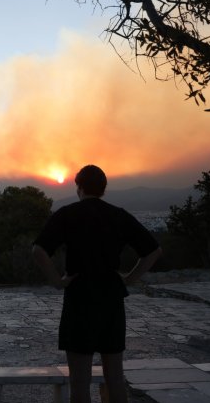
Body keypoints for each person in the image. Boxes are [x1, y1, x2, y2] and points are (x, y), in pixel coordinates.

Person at [32, 165, 162, 403]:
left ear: (79, 187)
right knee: (115, 377)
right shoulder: (119, 215)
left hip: (79, 297)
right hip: (111, 298)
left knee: (79, 381)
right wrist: (130, 278)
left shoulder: (67, 213)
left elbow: (39, 250)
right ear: (104, 189)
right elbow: (153, 251)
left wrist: (58, 281)